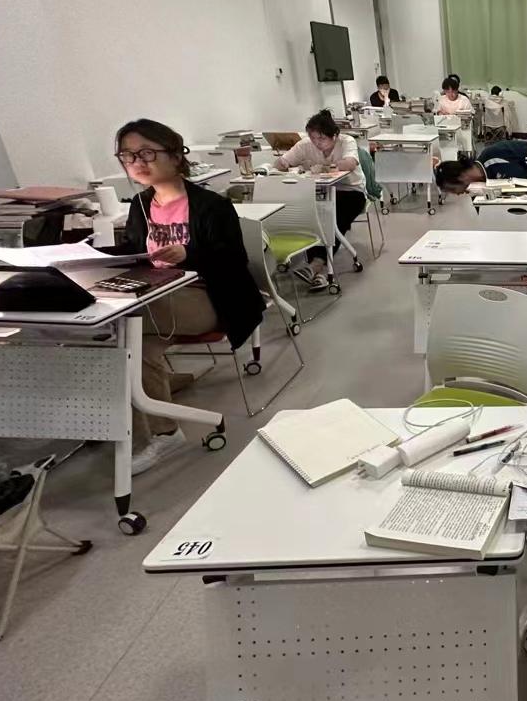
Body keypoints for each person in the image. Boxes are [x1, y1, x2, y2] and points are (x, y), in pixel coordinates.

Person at [107, 119, 264, 472]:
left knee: (118, 322)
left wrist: (188, 255)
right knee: (132, 349)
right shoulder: (140, 205)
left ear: (176, 155)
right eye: (128, 155)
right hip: (155, 296)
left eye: (147, 153)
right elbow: (134, 252)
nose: (137, 162)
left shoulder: (211, 205)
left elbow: (233, 260)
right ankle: (164, 433)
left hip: (208, 296)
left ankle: (131, 424)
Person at [273, 109, 367, 292]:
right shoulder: (305, 145)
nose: (316, 143)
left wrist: (326, 167)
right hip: (318, 192)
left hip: (350, 191)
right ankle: (316, 270)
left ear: (334, 136)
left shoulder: (346, 141)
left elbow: (350, 163)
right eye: (313, 137)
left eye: (322, 138)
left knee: (333, 216)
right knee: (313, 215)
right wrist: (283, 165)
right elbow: (281, 163)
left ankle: (317, 266)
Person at [434, 138, 527, 193]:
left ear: (460, 177)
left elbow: (526, 147)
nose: (457, 194)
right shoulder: (480, 185)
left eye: (452, 189)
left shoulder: (491, 154)